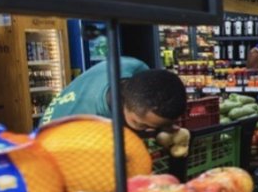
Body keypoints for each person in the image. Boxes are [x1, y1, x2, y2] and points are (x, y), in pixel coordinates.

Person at [40, 57, 187, 137]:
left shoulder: (133, 66)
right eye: (142, 125)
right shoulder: (93, 120)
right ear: (125, 103)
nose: (150, 131)